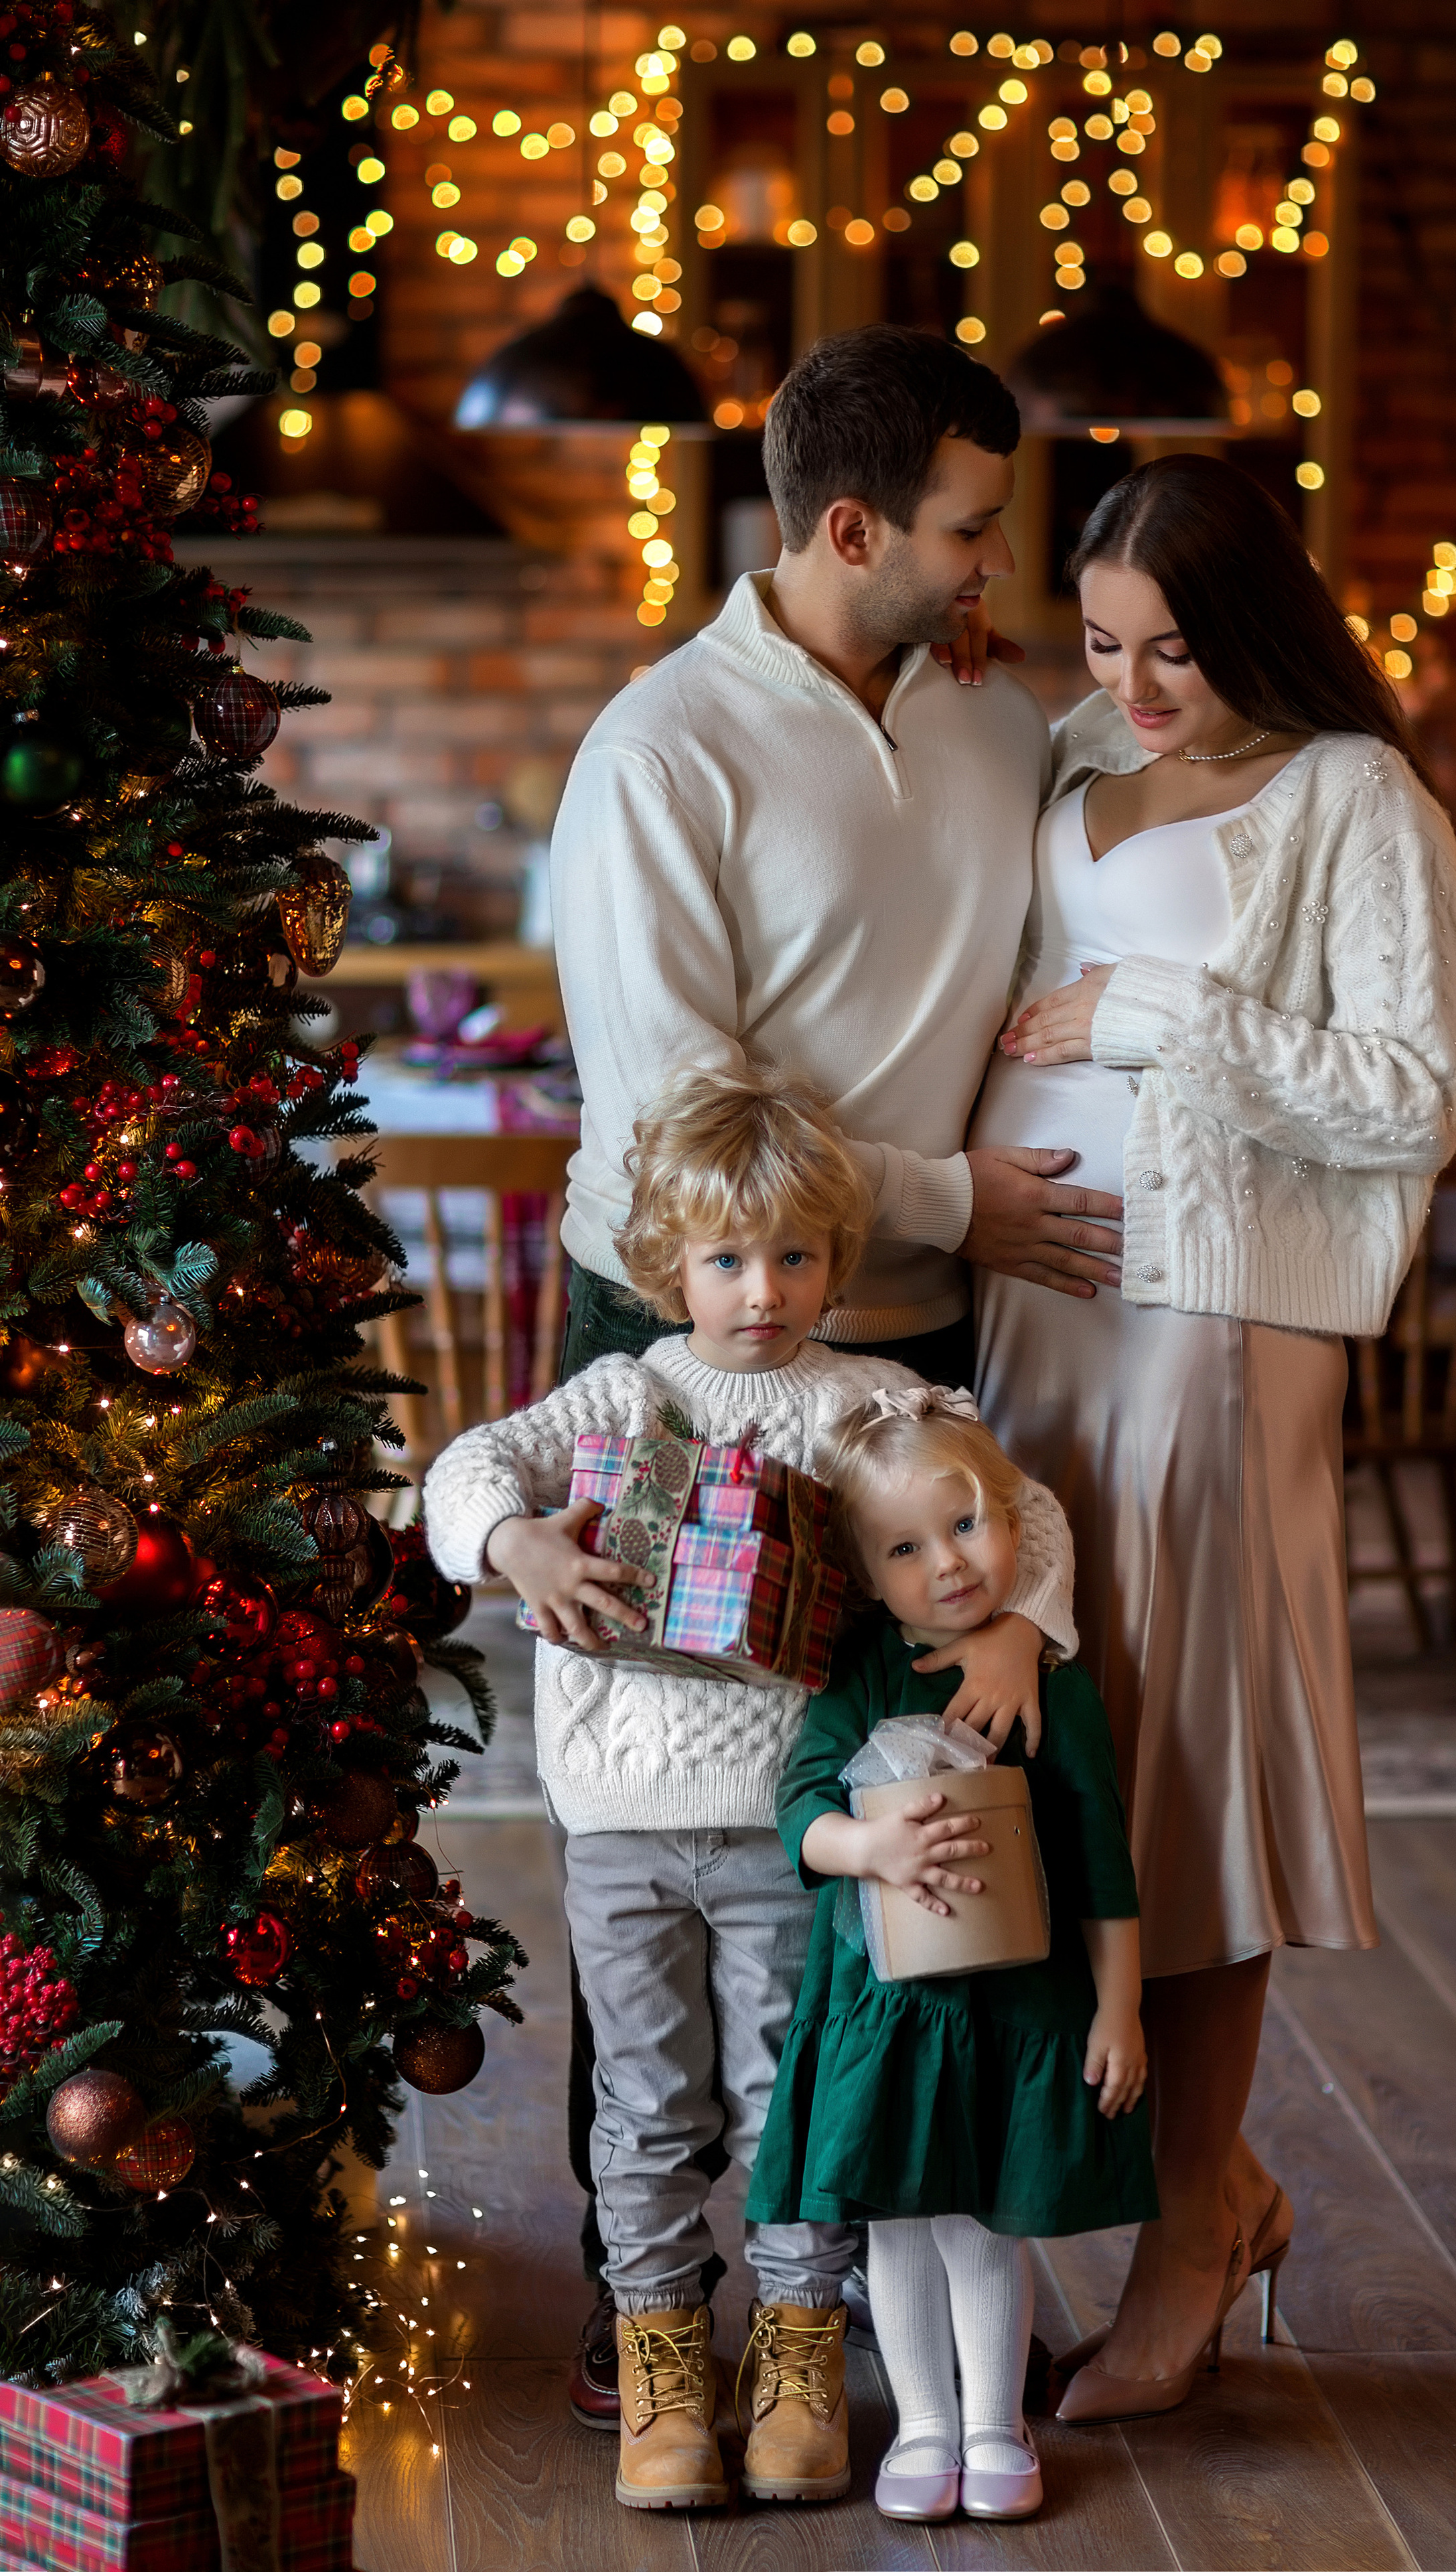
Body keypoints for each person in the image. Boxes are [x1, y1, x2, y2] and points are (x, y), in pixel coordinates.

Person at [547, 321, 1122, 2419]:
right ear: (852, 526)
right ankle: (658, 2323)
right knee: (678, 1828)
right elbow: (686, 1126)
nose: (1001, 565)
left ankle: (899, 2276)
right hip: (690, 1347)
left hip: (919, 1372)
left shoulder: (991, 714)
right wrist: (962, 1195)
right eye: (969, 529)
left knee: (925, 1809)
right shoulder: (661, 752)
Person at [964, 453, 1456, 2418]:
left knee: (1191, 1772)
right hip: (1042, 1312)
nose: (1137, 685)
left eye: (1173, 647)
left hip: (1216, 1329)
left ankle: (1188, 2238)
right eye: (1104, 641)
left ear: (1254, 618)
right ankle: (1217, 2186)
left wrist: (1154, 1012)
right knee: (1060, 1749)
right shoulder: (1069, 745)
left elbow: (1411, 1099)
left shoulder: (1357, 796)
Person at [422, 1064, 1077, 2514]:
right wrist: (515, 1545)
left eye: (792, 1255)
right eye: (724, 1257)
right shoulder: (619, 1392)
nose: (759, 1289)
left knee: (788, 2091)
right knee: (648, 2102)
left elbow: (1016, 1509)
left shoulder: (866, 1409)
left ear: (836, 1262)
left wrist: (1027, 1626)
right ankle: (663, 2355)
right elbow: (464, 1467)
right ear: (669, 1263)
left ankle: (797, 2343)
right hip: (620, 1828)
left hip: (802, 1833)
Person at [749, 1392, 1156, 2523]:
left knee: (983, 2218)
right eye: (908, 1548)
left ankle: (993, 2423)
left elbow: (1101, 1865)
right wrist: (864, 1844)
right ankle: (925, 2422)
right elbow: (798, 1812)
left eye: (970, 1526)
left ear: (1016, 1525)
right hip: (886, 2008)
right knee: (897, 2220)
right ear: (868, 1576)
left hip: (1015, 2007)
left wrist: (1117, 2010)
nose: (949, 1564)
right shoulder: (862, 1676)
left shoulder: (1050, 1689)